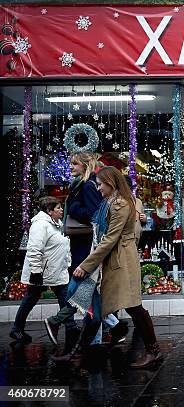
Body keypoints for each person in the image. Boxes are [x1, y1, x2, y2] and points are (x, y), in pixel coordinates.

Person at [65, 166, 162, 368]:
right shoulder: (112, 202)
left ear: (110, 182)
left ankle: (153, 351)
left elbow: (110, 239)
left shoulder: (119, 204)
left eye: (100, 185)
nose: (98, 189)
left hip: (122, 261)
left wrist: (86, 264)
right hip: (116, 259)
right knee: (97, 305)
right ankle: (81, 351)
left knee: (132, 307)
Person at [48, 152, 103, 355]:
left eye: (74, 163)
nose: (70, 166)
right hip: (82, 246)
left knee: (79, 288)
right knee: (90, 296)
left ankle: (58, 321)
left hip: (86, 247)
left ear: (85, 166)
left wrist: (73, 207)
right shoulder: (80, 185)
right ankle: (95, 340)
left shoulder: (87, 185)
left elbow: (95, 216)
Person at [10, 197, 76, 343]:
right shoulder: (40, 225)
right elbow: (34, 249)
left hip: (57, 271)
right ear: (49, 211)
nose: (61, 210)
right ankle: (16, 329)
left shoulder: (57, 224)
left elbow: (62, 247)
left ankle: (71, 327)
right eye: (58, 208)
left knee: (64, 298)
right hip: (42, 272)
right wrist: (35, 271)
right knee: (31, 299)